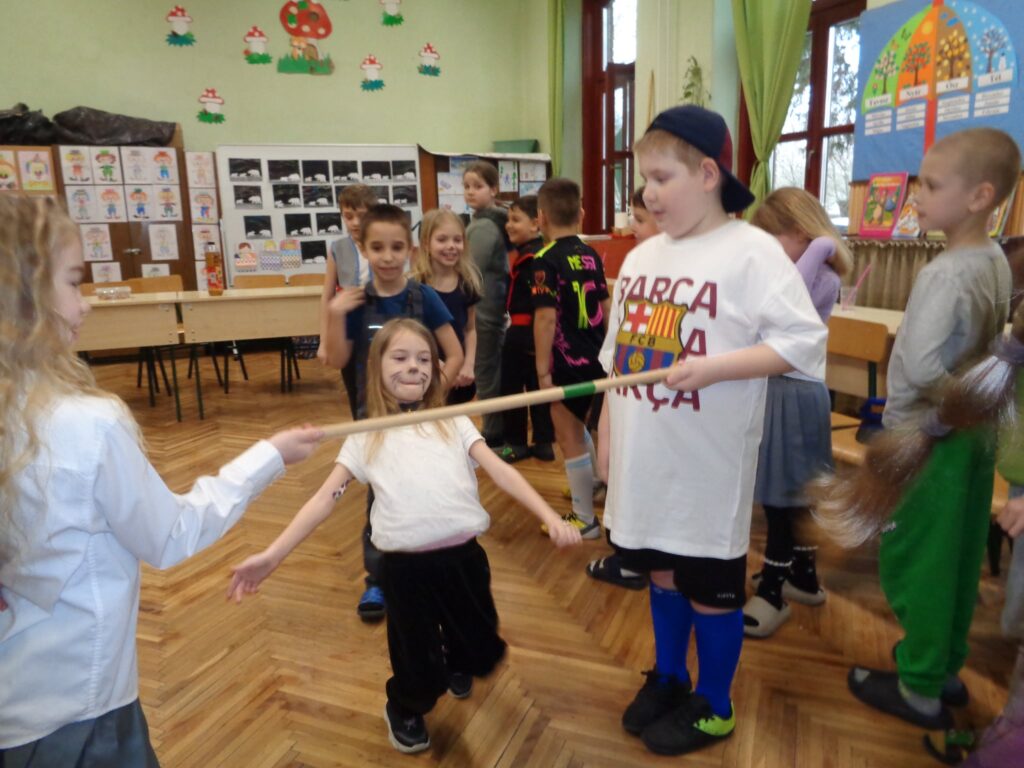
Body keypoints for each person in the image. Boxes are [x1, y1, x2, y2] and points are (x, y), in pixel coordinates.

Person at [0, 195, 322, 765]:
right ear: (23, 297)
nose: (85, 303)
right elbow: (171, 534)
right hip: (80, 711)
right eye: (73, 283)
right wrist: (269, 456)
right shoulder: (88, 425)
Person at [228, 318, 581, 754]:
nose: (414, 367)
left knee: (482, 650)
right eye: (400, 357)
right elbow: (323, 499)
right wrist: (273, 555)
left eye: (424, 359)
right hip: (406, 570)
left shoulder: (453, 421)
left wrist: (549, 515)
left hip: (464, 560)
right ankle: (404, 707)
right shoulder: (365, 436)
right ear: (376, 368)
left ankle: (456, 655)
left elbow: (500, 471)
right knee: (418, 667)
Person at [597, 105, 826, 757]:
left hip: (707, 470)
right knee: (662, 574)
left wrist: (714, 368)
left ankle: (715, 704)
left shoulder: (752, 253)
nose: (647, 193)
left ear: (707, 174)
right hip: (645, 461)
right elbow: (617, 362)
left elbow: (804, 343)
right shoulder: (641, 259)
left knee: (712, 593)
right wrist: (608, 435)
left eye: (661, 178)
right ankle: (670, 676)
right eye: (643, 179)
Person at [843, 127, 1019, 730]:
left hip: (931, 438)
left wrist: (956, 403)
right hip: (974, 441)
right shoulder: (996, 260)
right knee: (959, 555)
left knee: (917, 558)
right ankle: (943, 666)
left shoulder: (944, 273)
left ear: (980, 197)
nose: (916, 195)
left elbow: (919, 368)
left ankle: (918, 687)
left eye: (931, 186)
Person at [322, 203, 464, 623]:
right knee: (381, 497)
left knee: (430, 490)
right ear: (364, 250)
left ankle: (433, 567)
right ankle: (379, 577)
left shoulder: (425, 298)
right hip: (376, 421)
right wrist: (333, 315)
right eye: (378, 248)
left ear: (411, 251)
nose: (387, 257)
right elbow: (339, 359)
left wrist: (434, 395)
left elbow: (454, 354)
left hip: (424, 424)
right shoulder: (355, 304)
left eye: (397, 247)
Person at [741, 187, 853, 637]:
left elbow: (788, 302)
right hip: (780, 391)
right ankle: (803, 577)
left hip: (796, 394)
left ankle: (772, 590)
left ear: (802, 234)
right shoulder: (799, 271)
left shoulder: (820, 277)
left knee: (783, 498)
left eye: (774, 241)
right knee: (788, 493)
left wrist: (823, 244)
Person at [585, 185, 658, 590]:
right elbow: (617, 339)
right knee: (618, 469)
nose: (633, 226)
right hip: (622, 385)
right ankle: (627, 553)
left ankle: (635, 558)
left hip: (651, 400)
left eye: (641, 219)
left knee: (639, 476)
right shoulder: (635, 265)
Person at [533, 177, 610, 539]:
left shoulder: (544, 260)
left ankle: (585, 519)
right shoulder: (590, 253)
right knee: (580, 424)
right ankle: (592, 482)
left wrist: (542, 371)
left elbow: (545, 318)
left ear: (541, 218)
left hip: (566, 361)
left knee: (568, 436)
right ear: (581, 213)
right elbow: (606, 305)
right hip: (596, 356)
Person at [496, 194, 555, 463]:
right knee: (536, 386)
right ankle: (544, 443)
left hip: (523, 333)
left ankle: (516, 444)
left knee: (511, 388)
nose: (509, 225)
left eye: (515, 219)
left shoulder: (534, 258)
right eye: (508, 219)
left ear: (535, 223)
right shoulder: (533, 253)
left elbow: (539, 305)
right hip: (531, 334)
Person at [318, 184, 379, 418]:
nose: (354, 222)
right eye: (348, 216)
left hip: (381, 327)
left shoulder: (382, 244)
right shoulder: (338, 249)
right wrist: (324, 341)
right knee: (356, 392)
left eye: (361, 216)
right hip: (349, 330)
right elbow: (327, 297)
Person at [411, 208, 481, 405]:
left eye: (457, 240)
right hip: (423, 374)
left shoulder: (467, 284)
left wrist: (468, 365)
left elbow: (470, 329)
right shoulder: (415, 287)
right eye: (442, 240)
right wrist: (439, 365)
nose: (451, 246)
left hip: (459, 379)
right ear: (426, 243)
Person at [463, 161, 509, 445]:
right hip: (491, 309)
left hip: (484, 312)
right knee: (489, 369)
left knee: (485, 372)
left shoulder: (484, 227)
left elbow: (470, 270)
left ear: (493, 189)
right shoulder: (489, 221)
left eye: (478, 186)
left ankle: (493, 431)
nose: (470, 192)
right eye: (467, 186)